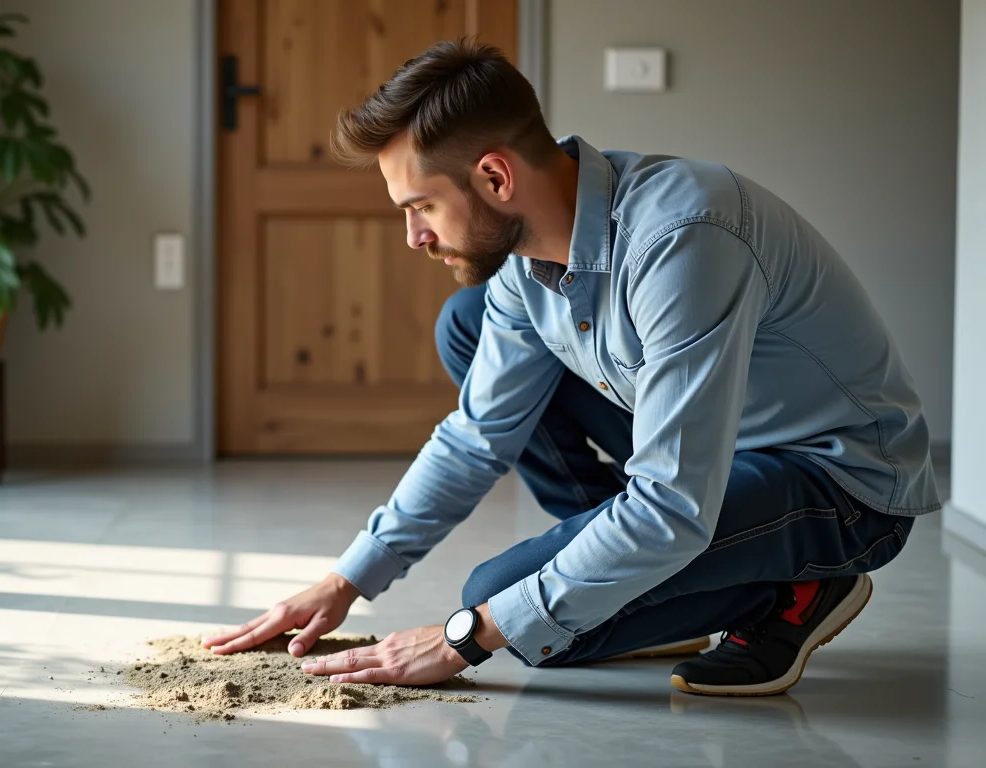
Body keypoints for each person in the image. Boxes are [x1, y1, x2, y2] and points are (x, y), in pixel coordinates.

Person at [202, 38, 940, 696]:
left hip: (838, 485)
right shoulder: (523, 265)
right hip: (712, 463)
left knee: (500, 602)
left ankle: (801, 589)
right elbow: (477, 436)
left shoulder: (683, 240)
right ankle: (640, 575)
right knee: (468, 327)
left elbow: (672, 506)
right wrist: (345, 582)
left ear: (495, 178)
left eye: (421, 206)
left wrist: (469, 635)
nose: (412, 237)